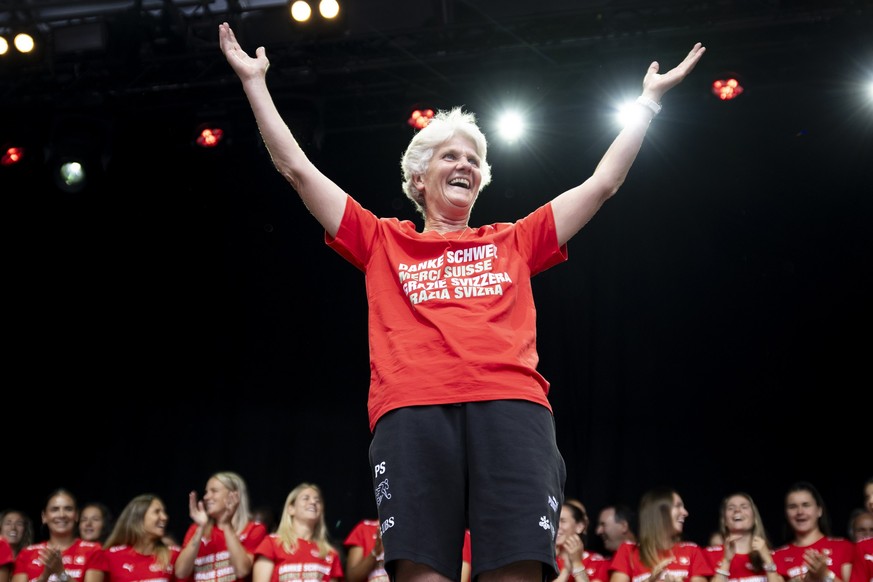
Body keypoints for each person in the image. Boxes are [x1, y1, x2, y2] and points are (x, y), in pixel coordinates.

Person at [218, 20, 705, 582]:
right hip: (413, 411)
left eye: (474, 161)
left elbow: (601, 184)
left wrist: (647, 104)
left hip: (512, 408)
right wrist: (255, 83)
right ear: (419, 178)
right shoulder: (382, 239)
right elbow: (298, 171)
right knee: (422, 573)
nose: (466, 166)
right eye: (450, 156)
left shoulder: (515, 240)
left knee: (515, 572)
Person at [174, 471, 268, 582]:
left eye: (214, 491)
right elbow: (180, 572)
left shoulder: (254, 530)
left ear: (234, 495)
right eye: (206, 492)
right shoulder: (196, 529)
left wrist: (227, 524)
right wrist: (200, 528)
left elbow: (242, 571)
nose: (206, 497)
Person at [608, 487, 713, 582]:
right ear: (660, 512)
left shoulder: (692, 551)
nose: (685, 512)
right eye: (678, 506)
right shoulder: (628, 551)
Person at [251, 483, 342, 582]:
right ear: (291, 509)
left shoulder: (329, 553)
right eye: (306, 498)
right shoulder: (271, 543)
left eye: (318, 501)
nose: (313, 502)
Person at [11, 488, 103, 582]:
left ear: (76, 515)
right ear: (44, 517)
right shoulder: (27, 553)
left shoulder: (93, 550)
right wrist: (44, 576)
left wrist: (61, 573)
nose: (62, 515)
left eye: (68, 509)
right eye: (55, 509)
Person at [771, 481, 854, 582]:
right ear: (786, 514)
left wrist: (825, 575)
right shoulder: (776, 556)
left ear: (819, 510)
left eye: (806, 505)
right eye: (792, 507)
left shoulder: (844, 547)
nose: (800, 512)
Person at [95, 494, 180, 582]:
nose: (164, 517)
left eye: (163, 512)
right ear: (139, 517)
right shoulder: (109, 556)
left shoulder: (173, 555)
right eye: (157, 512)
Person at [704, 492, 781, 582]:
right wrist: (726, 561)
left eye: (744, 507)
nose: (737, 510)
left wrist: (767, 560)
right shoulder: (709, 555)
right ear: (724, 520)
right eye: (731, 508)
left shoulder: (773, 555)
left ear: (755, 518)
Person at [554, 502, 610, 582]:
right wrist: (566, 570)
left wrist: (577, 563)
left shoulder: (598, 562)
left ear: (579, 527)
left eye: (562, 521)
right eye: (553, 521)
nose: (556, 526)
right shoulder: (546, 560)